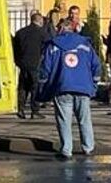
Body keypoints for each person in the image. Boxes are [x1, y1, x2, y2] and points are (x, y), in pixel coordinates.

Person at [37, 9, 102, 160]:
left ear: (60, 29)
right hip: (83, 87)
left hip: (62, 87)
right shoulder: (85, 45)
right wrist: (94, 84)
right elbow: (96, 66)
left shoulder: (53, 46)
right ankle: (88, 146)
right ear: (73, 29)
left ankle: (66, 149)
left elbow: (45, 69)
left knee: (64, 120)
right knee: (84, 119)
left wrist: (43, 87)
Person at [11, 11, 48, 120]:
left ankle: (20, 109)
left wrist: (18, 61)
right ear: (39, 21)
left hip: (23, 64)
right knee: (35, 87)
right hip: (36, 63)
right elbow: (46, 48)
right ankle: (34, 110)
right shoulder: (42, 33)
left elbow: (15, 48)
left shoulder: (20, 33)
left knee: (23, 87)